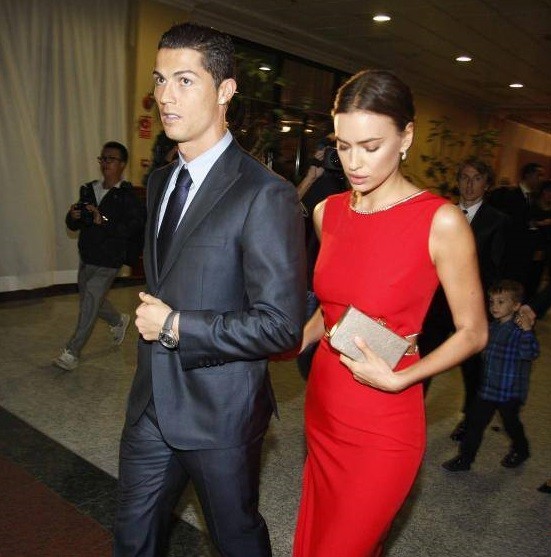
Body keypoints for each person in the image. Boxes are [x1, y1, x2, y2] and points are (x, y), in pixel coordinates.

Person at [113, 23, 306, 557]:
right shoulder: (160, 181)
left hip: (221, 412)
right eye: (160, 79)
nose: (165, 96)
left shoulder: (265, 194)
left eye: (184, 80)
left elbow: (281, 325)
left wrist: (176, 326)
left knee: (236, 540)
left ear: (225, 91)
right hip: (151, 402)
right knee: (132, 537)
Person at [292, 69, 487, 557]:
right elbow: (332, 310)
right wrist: (295, 338)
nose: (354, 162)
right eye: (343, 146)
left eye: (371, 146)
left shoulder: (441, 221)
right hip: (325, 403)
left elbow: (473, 332)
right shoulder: (327, 212)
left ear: (406, 137)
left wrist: (403, 379)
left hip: (385, 413)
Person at [419, 158, 509, 440]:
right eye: (464, 178)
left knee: (472, 369)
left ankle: (470, 420)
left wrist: (493, 309)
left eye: (477, 178)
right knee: (423, 360)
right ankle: (411, 415)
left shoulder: (497, 221)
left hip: (472, 306)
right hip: (436, 304)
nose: (469, 184)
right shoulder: (441, 213)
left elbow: (497, 268)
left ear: (487, 184)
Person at [53, 141, 144, 371]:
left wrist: (103, 220)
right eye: (102, 158)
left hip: (110, 259)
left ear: (122, 164)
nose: (105, 163)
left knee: (90, 301)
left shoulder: (127, 195)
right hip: (87, 256)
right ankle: (118, 320)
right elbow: (74, 225)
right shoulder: (88, 189)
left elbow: (133, 228)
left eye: (110, 159)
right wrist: (73, 216)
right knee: (91, 301)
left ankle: (72, 352)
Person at [442, 280, 539, 471]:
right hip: (487, 389)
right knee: (474, 423)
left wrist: (528, 331)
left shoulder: (519, 331)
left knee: (511, 425)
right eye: (492, 302)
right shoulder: (492, 328)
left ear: (516, 306)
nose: (494, 306)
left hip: (509, 393)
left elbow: (530, 353)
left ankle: (521, 449)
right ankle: (465, 459)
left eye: (501, 302)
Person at [296, 136, 348, 379]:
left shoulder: (353, 188)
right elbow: (285, 209)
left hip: (336, 285)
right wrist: (310, 177)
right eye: (331, 151)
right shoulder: (317, 184)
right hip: (310, 280)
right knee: (306, 350)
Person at [488, 162, 545, 300]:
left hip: (523, 259)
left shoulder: (532, 198)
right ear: (528, 175)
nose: (541, 179)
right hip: (509, 256)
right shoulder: (510, 195)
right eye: (539, 175)